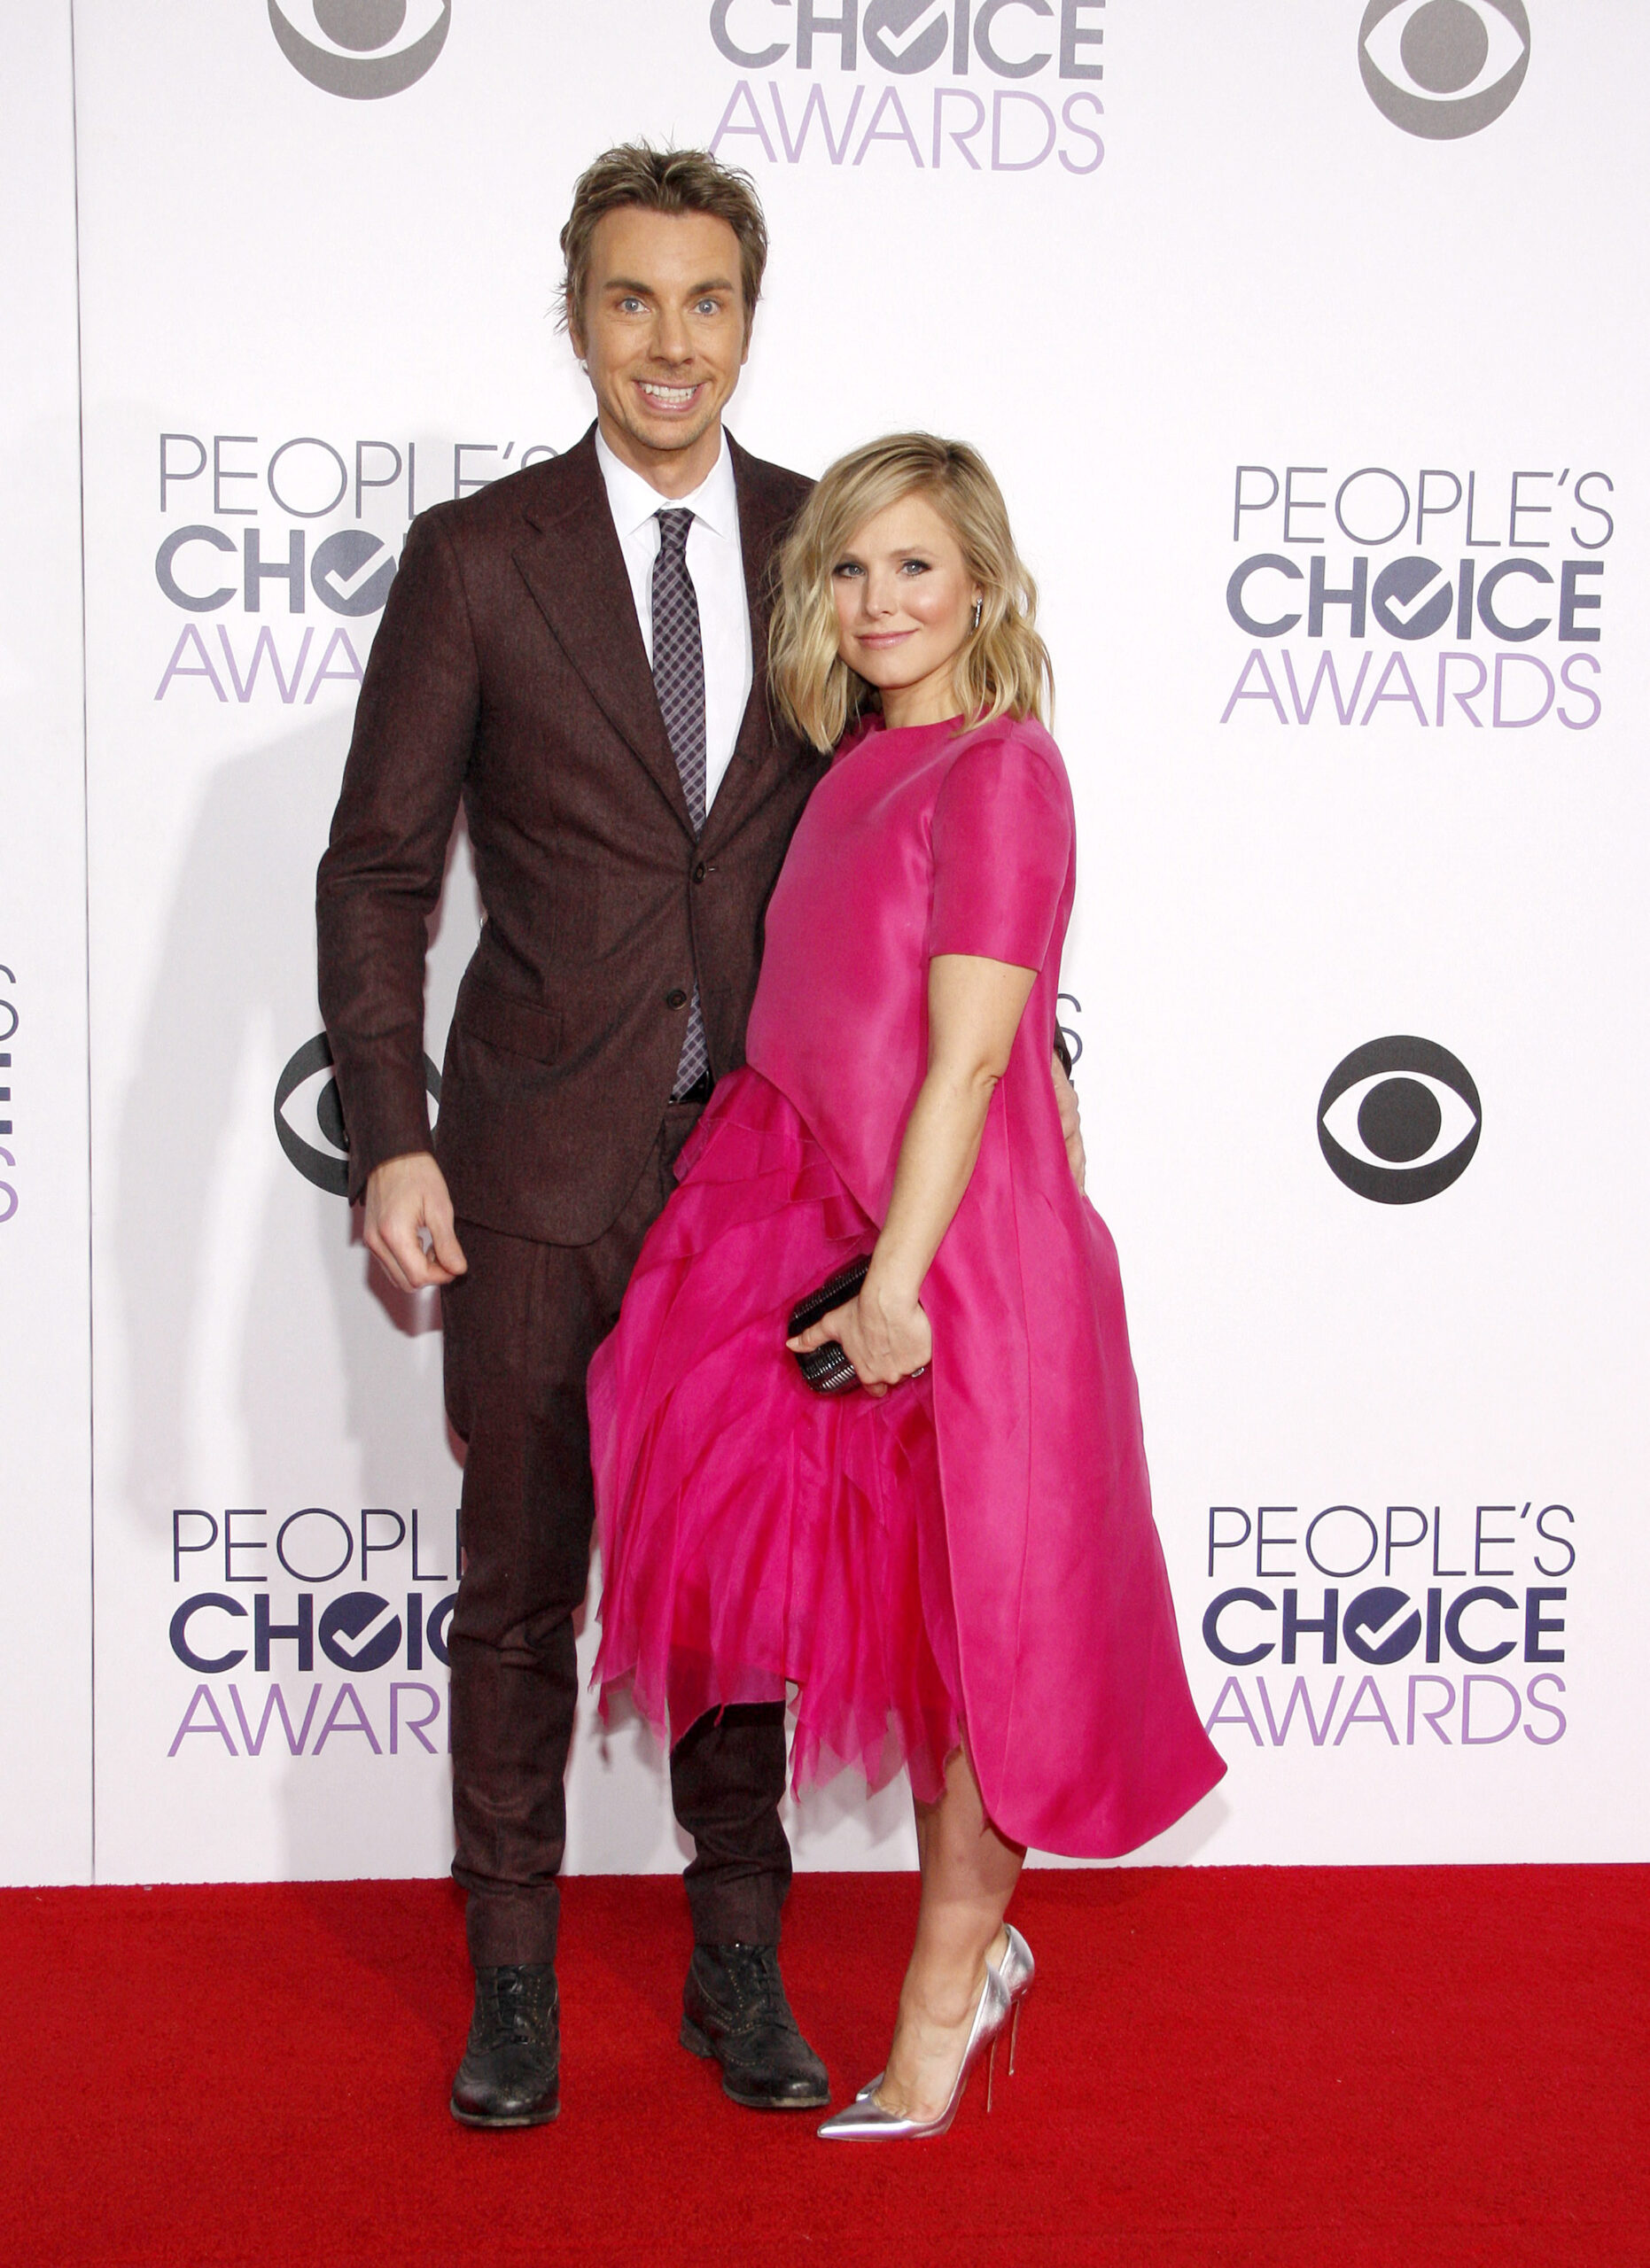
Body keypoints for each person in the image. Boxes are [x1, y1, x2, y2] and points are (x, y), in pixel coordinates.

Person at [317, 140, 1091, 2129]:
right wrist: (392, 1133)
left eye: (707, 301)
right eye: (631, 299)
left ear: (750, 319)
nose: (670, 341)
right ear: (577, 316)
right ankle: (509, 1982)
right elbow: (380, 866)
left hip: (769, 1171)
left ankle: (735, 1960)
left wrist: (1033, 1119)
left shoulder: (828, 550)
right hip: (530, 1165)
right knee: (519, 1584)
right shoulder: (478, 556)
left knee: (749, 1591)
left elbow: (935, 864)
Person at [589, 434, 1226, 2139]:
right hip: (818, 1232)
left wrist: (898, 1284)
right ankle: (965, 1960)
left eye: (915, 566)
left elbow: (967, 1060)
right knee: (911, 1641)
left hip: (956, 1265)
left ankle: (944, 2003)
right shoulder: (852, 768)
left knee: (984, 1659)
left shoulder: (1001, 769)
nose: (878, 601)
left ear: (983, 586)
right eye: (850, 568)